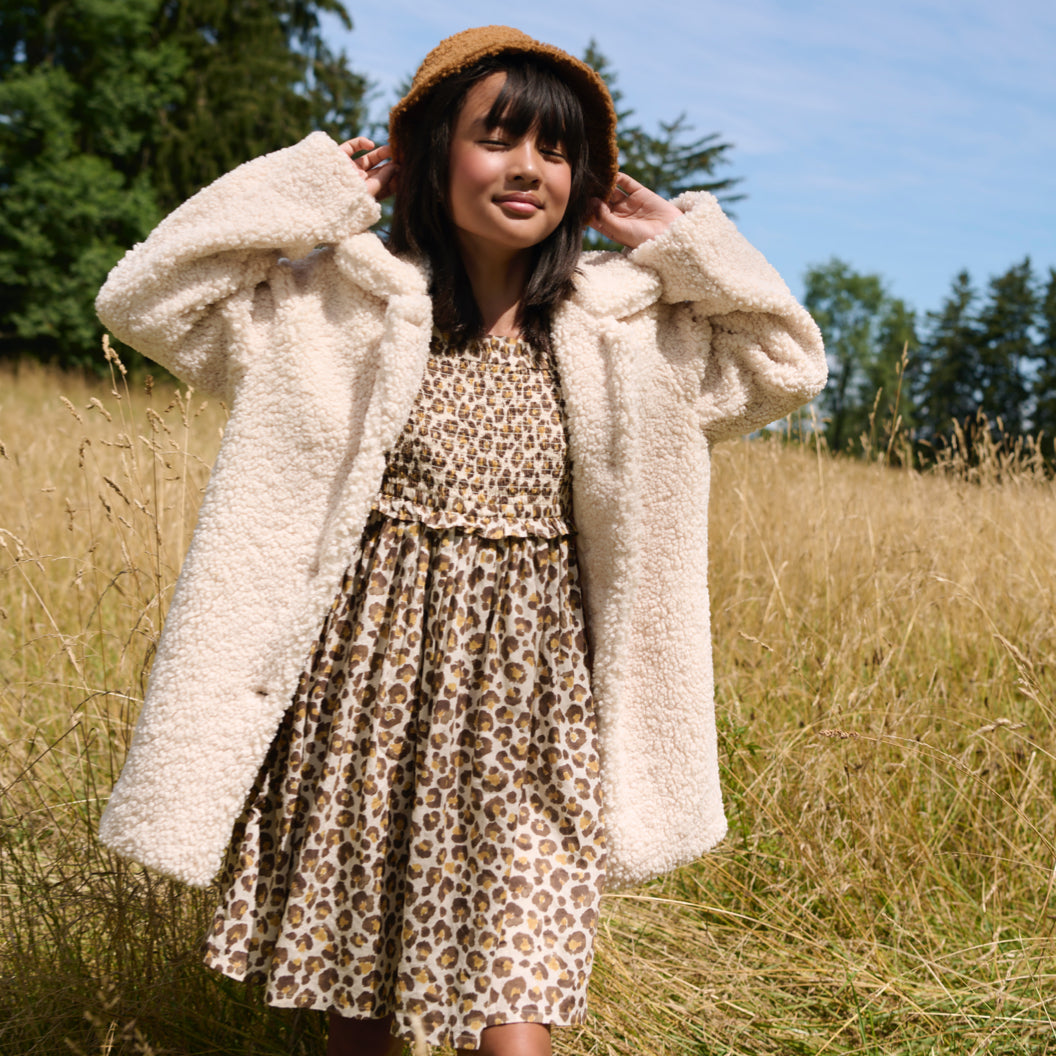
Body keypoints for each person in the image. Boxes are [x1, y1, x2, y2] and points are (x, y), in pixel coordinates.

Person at [94, 24, 826, 1056]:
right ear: (434, 151)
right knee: (361, 1013)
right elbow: (145, 295)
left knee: (515, 1022)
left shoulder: (627, 332)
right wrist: (317, 190)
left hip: (539, 712)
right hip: (365, 700)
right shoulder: (330, 310)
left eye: (560, 150)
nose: (531, 167)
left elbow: (787, 362)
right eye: (499, 137)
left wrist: (676, 239)